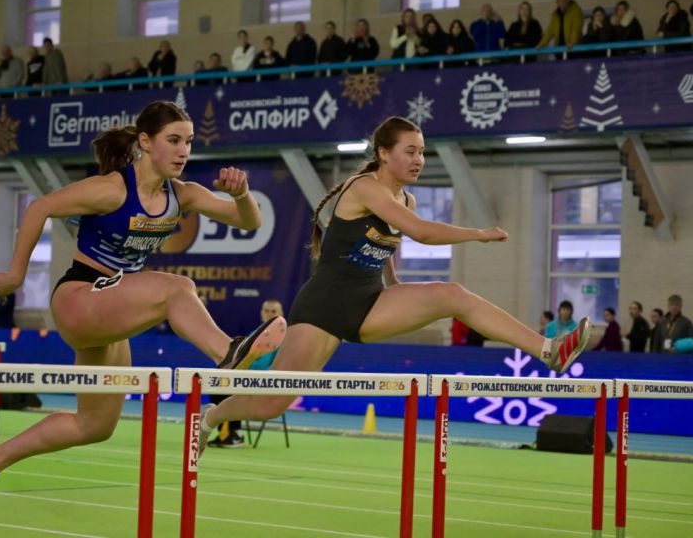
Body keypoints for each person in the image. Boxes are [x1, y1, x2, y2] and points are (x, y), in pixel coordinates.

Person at [0, 101, 286, 515]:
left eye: (189, 142)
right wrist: (16, 274)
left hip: (111, 308)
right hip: (80, 298)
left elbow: (249, 222)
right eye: (174, 140)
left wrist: (241, 195)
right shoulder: (113, 189)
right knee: (178, 288)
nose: (183, 151)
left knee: (95, 425)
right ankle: (229, 354)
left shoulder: (183, 194)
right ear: (145, 142)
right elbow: (40, 207)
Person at [197, 117, 590, 451]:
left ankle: (549, 350)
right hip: (323, 307)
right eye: (410, 151)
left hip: (370, 301)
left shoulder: (407, 200)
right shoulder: (364, 187)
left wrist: (394, 283)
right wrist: (478, 234)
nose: (419, 159)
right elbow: (422, 233)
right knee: (270, 405)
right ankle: (212, 415)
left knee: (453, 294)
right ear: (384, 153)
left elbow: (385, 241)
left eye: (422, 152)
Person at [209, 298, 286, 449]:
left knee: (230, 391)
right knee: (217, 385)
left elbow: (278, 367)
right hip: (244, 378)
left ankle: (235, 434)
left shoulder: (284, 340)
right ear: (261, 313)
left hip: (264, 382)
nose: (269, 314)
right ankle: (225, 433)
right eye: (267, 311)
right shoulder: (254, 335)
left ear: (281, 314)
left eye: (274, 311)